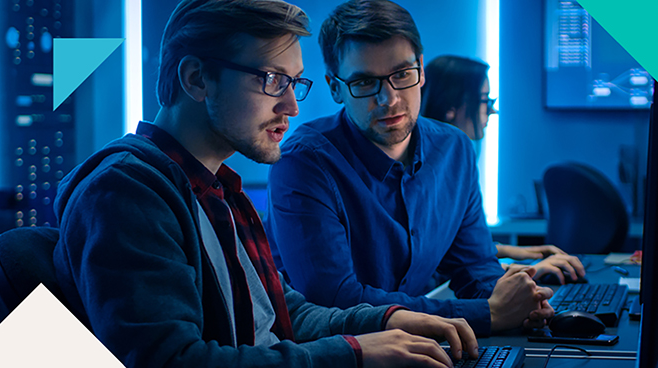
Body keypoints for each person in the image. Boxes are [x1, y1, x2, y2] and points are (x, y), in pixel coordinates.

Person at [53, 1, 480, 367]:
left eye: (294, 83)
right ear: (197, 79)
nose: (292, 106)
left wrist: (384, 321)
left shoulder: (211, 188)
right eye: (273, 79)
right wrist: (353, 354)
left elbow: (279, 313)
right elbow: (174, 362)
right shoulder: (127, 192)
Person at [265, 0, 555, 338]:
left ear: (421, 71)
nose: (389, 99)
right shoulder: (304, 162)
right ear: (335, 88)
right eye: (363, 82)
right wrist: (486, 313)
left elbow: (474, 268)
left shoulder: (454, 150)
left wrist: (519, 305)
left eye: (401, 74)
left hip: (414, 348)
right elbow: (335, 299)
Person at [421, 55, 586, 284]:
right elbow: (439, 264)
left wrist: (512, 252)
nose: (491, 112)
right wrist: (528, 270)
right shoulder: (425, 171)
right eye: (484, 101)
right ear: (451, 107)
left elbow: (458, 245)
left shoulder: (454, 162)